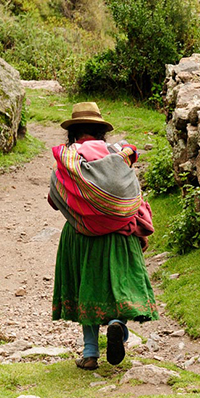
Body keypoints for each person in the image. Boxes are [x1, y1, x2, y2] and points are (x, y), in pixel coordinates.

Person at [47, 102, 158, 370]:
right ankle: (116, 324)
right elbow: (133, 194)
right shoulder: (118, 155)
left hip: (81, 232)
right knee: (118, 281)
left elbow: (54, 198)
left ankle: (89, 353)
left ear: (73, 133)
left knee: (87, 284)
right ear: (101, 132)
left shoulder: (68, 159)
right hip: (121, 233)